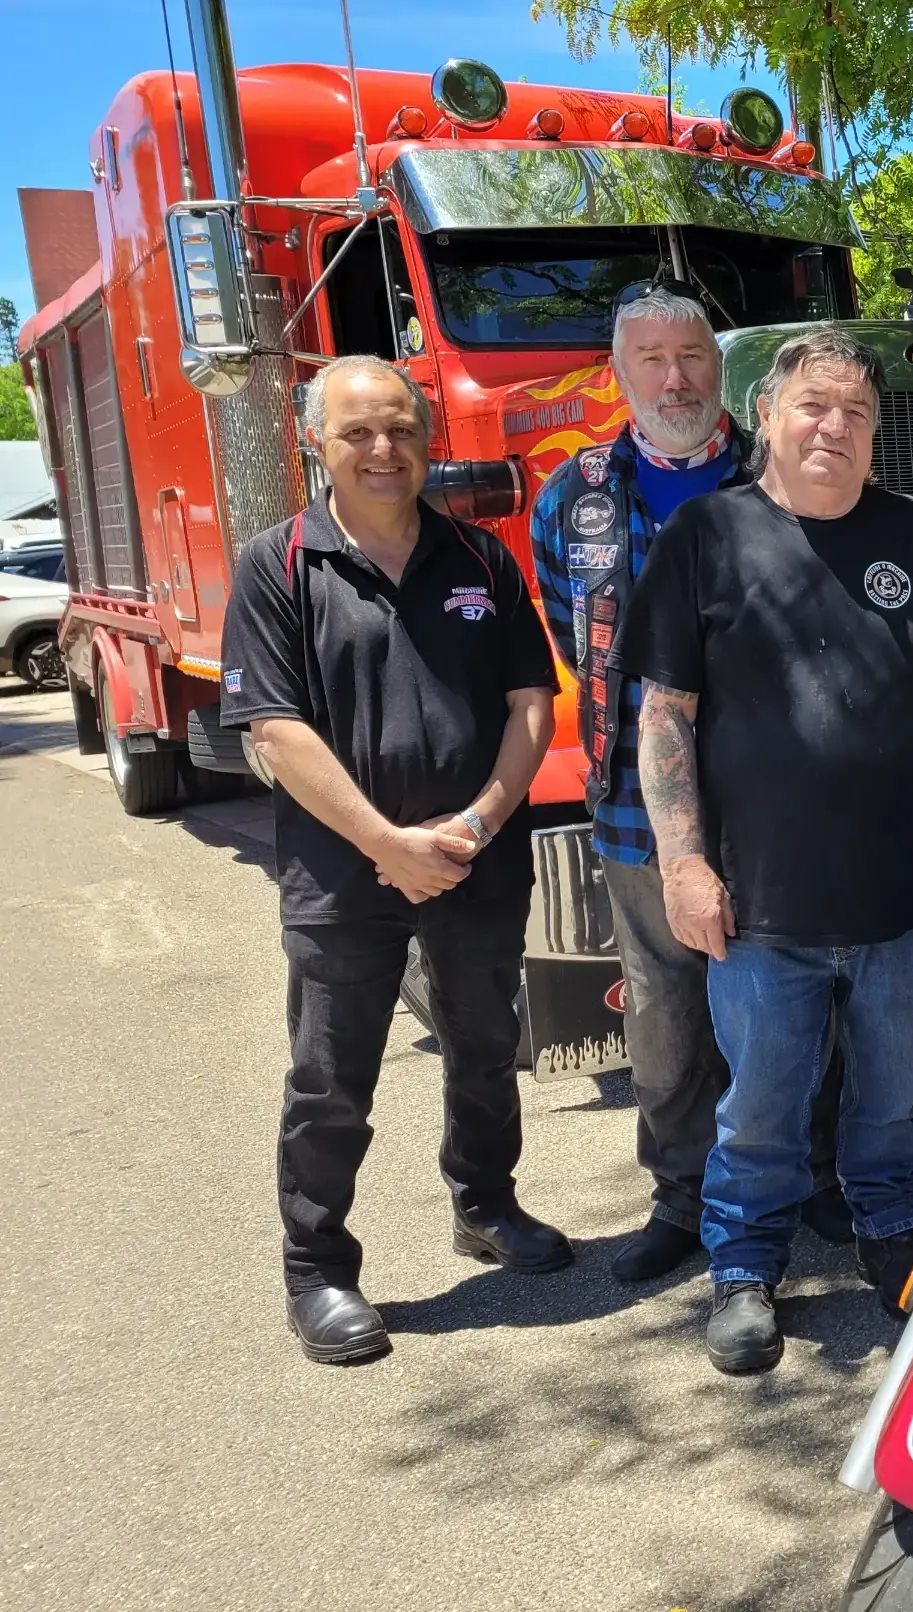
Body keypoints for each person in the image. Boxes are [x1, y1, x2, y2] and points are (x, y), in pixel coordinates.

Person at [616, 327, 913, 1375]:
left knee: (891, 1092)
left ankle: (888, 1234)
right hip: (762, 900)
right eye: (813, 406)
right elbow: (667, 716)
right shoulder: (706, 535)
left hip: (902, 892)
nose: (835, 426)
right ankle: (744, 1267)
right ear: (767, 416)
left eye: (856, 413)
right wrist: (684, 862)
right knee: (763, 1103)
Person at [219, 356, 569, 1365]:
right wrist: (389, 846)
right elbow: (276, 732)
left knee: (484, 1045)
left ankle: (486, 1204)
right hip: (343, 876)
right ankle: (317, 1267)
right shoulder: (278, 564)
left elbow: (531, 704)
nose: (384, 450)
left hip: (475, 860)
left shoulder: (480, 558)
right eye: (358, 433)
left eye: (402, 431)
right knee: (332, 1077)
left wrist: (479, 824)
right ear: (314, 444)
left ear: (428, 440)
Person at [529, 284, 779, 1285]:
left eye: (693, 356)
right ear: (619, 372)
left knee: (794, 1001)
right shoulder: (574, 496)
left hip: (783, 800)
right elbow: (571, 636)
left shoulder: (780, 474)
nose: (675, 377)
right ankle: (680, 1195)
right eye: (652, 359)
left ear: (720, 368)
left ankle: (812, 1181)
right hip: (637, 806)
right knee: (667, 1017)